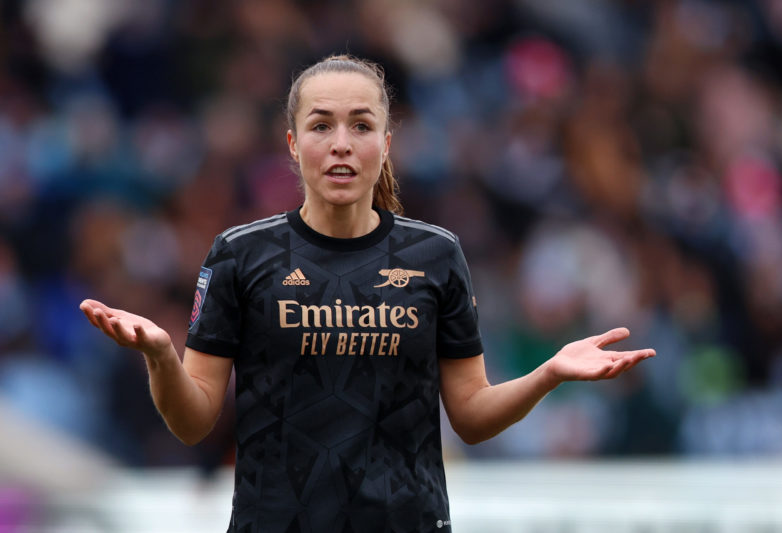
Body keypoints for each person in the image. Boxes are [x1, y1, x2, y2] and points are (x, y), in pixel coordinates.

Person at [80, 54, 655, 533]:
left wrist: (548, 374)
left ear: (386, 139)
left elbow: (472, 415)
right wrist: (161, 358)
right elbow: (193, 422)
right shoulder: (241, 254)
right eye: (321, 125)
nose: (341, 144)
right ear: (292, 141)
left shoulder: (435, 256)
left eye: (360, 125)